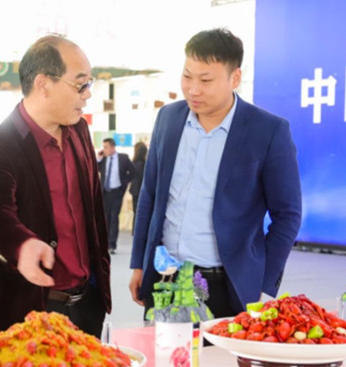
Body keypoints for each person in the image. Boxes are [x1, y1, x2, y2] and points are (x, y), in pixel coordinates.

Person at [129, 28, 302, 319]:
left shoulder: (268, 131)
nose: (193, 89)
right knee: (164, 349)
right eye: (187, 76)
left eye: (206, 80)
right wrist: (139, 263)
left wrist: (263, 284)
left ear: (235, 78)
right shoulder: (168, 119)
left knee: (220, 351)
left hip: (228, 286)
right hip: (165, 279)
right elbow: (150, 194)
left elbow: (287, 214)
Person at [0, 35, 110, 338]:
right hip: (34, 308)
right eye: (80, 84)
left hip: (88, 304)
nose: (87, 94)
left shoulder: (80, 130)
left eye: (89, 84)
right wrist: (22, 245)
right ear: (43, 84)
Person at [98, 137, 134, 254]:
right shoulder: (103, 159)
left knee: (114, 217)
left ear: (112, 147)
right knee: (105, 218)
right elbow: (95, 169)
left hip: (117, 192)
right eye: (103, 147)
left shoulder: (123, 158)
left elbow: (132, 171)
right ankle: (105, 243)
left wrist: (124, 184)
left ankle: (112, 244)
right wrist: (99, 158)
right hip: (105, 192)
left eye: (106, 147)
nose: (104, 149)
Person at [129, 141, 148, 234]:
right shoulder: (144, 165)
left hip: (135, 190)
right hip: (142, 190)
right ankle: (138, 230)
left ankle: (135, 230)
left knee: (136, 211)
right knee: (141, 212)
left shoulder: (133, 164)